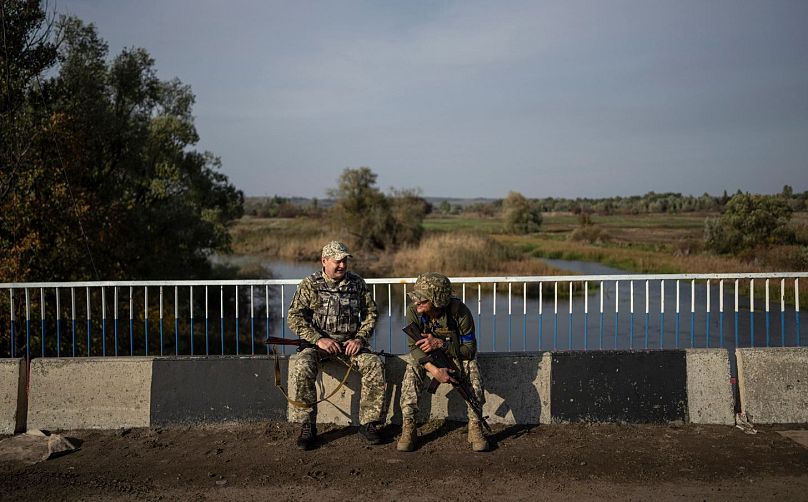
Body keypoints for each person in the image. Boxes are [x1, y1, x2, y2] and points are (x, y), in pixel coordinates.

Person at [287, 241, 385, 450]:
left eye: (344, 261)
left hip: (351, 346)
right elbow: (294, 318)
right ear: (324, 261)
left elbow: (371, 314)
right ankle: (307, 425)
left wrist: (359, 339)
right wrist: (317, 339)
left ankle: (369, 423)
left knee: (374, 364)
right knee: (303, 364)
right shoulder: (310, 284)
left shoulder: (357, 284)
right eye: (337, 261)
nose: (342, 265)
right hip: (318, 346)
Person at [397, 272, 489, 452]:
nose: (417, 304)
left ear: (437, 300)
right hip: (427, 359)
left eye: (423, 300)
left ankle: (475, 425)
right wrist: (435, 371)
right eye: (417, 299)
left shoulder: (460, 312)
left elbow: (469, 350)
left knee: (472, 368)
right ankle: (409, 425)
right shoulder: (413, 312)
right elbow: (414, 349)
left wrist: (441, 344)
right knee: (412, 368)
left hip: (455, 356)